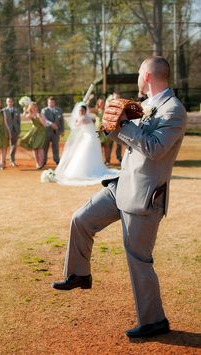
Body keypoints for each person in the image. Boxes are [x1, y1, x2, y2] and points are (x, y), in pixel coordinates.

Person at [52, 56, 187, 338]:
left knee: (139, 258)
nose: (138, 77)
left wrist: (124, 125)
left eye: (139, 73)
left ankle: (154, 321)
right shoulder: (147, 105)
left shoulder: (174, 110)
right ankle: (79, 273)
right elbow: (129, 141)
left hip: (146, 195)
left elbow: (153, 148)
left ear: (148, 76)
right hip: (122, 185)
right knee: (81, 219)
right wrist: (112, 128)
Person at [52, 102, 119, 186]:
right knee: (86, 153)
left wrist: (72, 120)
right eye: (79, 110)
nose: (80, 112)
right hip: (90, 138)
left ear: (84, 111)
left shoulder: (83, 118)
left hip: (90, 139)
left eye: (82, 110)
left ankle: (84, 172)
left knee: (85, 153)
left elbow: (75, 126)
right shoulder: (85, 117)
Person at [19, 102, 46, 169]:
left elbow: (44, 124)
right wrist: (24, 111)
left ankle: (40, 163)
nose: (34, 109)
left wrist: (39, 117)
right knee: (34, 148)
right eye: (32, 108)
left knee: (40, 147)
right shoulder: (30, 115)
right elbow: (22, 119)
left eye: (35, 107)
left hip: (41, 132)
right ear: (30, 108)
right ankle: (37, 163)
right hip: (34, 132)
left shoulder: (40, 114)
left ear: (37, 107)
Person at [41, 97, 64, 166]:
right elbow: (44, 120)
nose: (51, 104)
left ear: (54, 103)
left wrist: (62, 130)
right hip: (46, 132)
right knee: (45, 148)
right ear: (47, 103)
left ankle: (57, 160)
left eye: (52, 102)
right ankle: (43, 161)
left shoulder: (59, 110)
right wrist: (51, 124)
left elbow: (61, 121)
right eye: (50, 102)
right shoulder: (44, 110)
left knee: (56, 147)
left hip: (56, 133)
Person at [105, 91, 122, 165]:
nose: (117, 98)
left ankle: (119, 159)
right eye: (115, 97)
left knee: (119, 144)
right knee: (109, 144)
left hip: (119, 127)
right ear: (113, 97)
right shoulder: (109, 104)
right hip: (110, 127)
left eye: (118, 97)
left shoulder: (121, 105)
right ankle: (107, 160)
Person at [3, 97, 21, 167]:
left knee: (13, 146)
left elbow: (19, 121)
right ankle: (3, 161)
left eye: (11, 101)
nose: (10, 102)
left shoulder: (17, 110)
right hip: (6, 131)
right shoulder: (3, 110)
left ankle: (12, 160)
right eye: (8, 101)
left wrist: (19, 130)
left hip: (15, 131)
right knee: (5, 146)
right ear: (6, 102)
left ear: (13, 102)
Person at [93, 98, 110, 164]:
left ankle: (107, 160)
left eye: (102, 102)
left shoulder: (106, 110)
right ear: (98, 103)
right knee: (99, 146)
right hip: (98, 130)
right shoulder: (97, 110)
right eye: (100, 102)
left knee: (106, 146)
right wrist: (89, 100)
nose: (101, 103)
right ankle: (100, 160)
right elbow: (88, 109)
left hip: (104, 129)